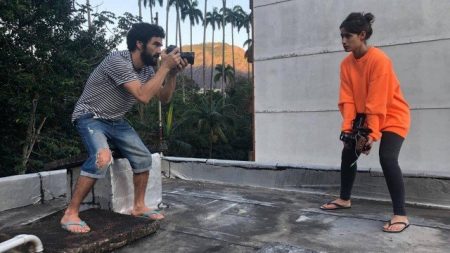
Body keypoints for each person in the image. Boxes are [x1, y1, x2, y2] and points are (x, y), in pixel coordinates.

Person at [60, 23, 189, 233]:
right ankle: (71, 214)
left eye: (161, 45)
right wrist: (164, 67)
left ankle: (138, 207)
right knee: (102, 158)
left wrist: (172, 74)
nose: (160, 50)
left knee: (143, 158)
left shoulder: (147, 70)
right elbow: (143, 96)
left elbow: (164, 98)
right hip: (90, 116)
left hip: (115, 120)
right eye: (156, 44)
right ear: (139, 44)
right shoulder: (117, 61)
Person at [320, 13, 411, 233]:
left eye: (347, 36)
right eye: (341, 36)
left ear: (362, 35)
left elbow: (377, 101)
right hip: (365, 115)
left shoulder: (379, 60)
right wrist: (348, 131)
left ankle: (400, 214)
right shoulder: (346, 64)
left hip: (392, 115)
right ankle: (344, 199)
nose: (343, 41)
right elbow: (348, 100)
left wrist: (371, 134)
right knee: (348, 152)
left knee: (387, 158)